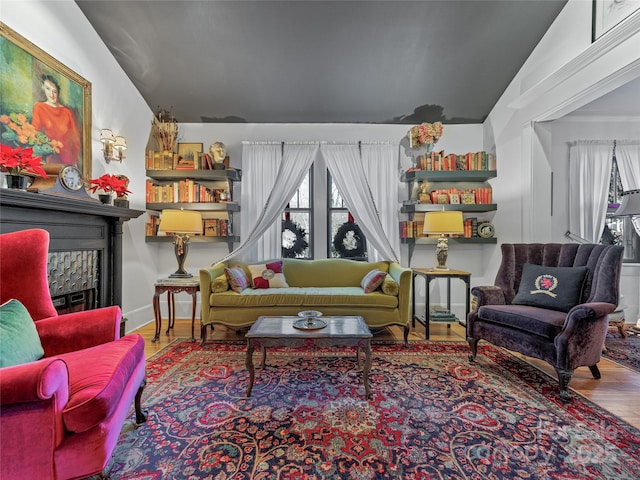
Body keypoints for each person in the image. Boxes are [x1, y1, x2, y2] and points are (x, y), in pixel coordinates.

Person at [32, 73, 81, 165]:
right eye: (48, 89)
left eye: (54, 91)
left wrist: (74, 162)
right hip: (50, 158)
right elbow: (34, 134)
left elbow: (75, 140)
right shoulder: (39, 107)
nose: (51, 94)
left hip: (67, 160)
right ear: (43, 88)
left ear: (58, 92)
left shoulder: (67, 112)